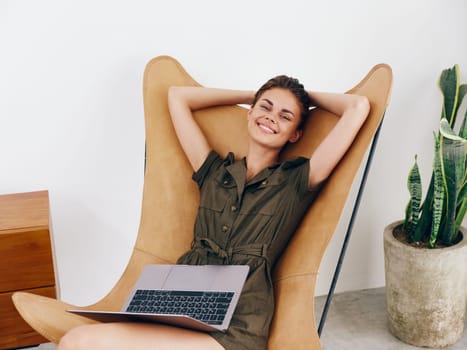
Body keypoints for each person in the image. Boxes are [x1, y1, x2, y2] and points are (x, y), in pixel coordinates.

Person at [58, 75, 369, 350]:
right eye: (265, 107)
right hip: (176, 301)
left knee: (81, 342)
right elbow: (177, 97)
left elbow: (357, 108)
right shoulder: (213, 172)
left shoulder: (296, 181)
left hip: (235, 324)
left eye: (285, 117)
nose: (271, 117)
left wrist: (305, 99)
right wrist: (250, 96)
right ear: (249, 114)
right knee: (75, 341)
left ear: (295, 135)